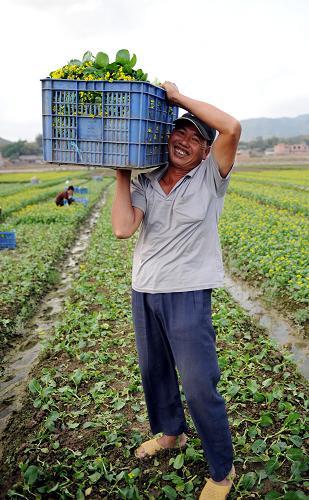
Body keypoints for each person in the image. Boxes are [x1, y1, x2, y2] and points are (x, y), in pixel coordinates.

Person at [111, 82, 241, 499]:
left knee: (200, 382)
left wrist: (178, 99)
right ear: (169, 136)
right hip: (145, 289)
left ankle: (222, 470)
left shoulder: (210, 179)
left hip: (187, 292)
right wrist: (121, 173)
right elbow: (122, 228)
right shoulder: (147, 182)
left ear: (206, 152)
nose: (185, 141)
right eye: (180, 131)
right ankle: (171, 435)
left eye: (196, 138)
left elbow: (232, 127)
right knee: (155, 373)